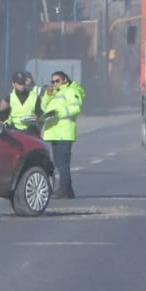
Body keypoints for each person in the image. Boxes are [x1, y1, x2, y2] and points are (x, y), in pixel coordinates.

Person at [40, 70, 85, 199]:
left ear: (64, 80)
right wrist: (47, 96)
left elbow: (76, 108)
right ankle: (69, 191)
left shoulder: (70, 91)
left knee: (62, 163)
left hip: (64, 132)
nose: (55, 84)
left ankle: (63, 189)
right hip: (54, 132)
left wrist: (59, 112)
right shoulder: (53, 93)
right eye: (52, 82)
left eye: (57, 81)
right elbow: (43, 107)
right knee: (58, 162)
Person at [0, 70, 42, 135]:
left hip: (31, 131)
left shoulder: (34, 96)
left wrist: (37, 117)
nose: (22, 86)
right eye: (19, 84)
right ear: (13, 84)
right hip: (14, 131)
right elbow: (1, 116)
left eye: (23, 83)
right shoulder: (9, 98)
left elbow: (40, 113)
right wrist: (2, 113)